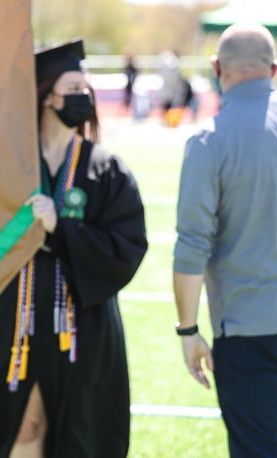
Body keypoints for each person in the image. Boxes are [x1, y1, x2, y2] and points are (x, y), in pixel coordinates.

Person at [0, 38, 147, 458]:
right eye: (73, 88)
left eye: (86, 90)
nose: (83, 98)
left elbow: (127, 248)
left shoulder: (106, 169)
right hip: (10, 321)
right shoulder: (4, 169)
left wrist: (58, 229)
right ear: (46, 96)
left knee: (74, 435)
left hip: (80, 329)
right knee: (17, 428)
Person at [172, 22, 277, 458]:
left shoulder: (209, 140)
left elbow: (192, 245)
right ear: (274, 69)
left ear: (217, 67)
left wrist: (189, 329)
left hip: (246, 329)